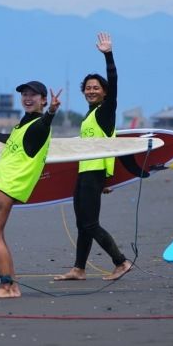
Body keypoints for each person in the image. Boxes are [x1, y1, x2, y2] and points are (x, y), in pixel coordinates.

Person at [55, 32, 132, 282]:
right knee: (83, 224)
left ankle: (120, 262)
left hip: (94, 173)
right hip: (86, 173)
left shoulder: (105, 112)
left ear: (105, 93)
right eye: (87, 88)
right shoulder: (89, 116)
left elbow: (114, 81)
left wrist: (108, 55)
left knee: (89, 223)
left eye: (96, 88)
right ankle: (79, 269)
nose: (91, 91)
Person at [0, 80, 62, 299]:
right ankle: (12, 286)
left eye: (33, 95)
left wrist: (52, 111)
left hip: (10, 183)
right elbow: (14, 139)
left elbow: (43, 125)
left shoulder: (40, 125)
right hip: (3, 181)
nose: (27, 97)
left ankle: (6, 287)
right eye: (24, 94)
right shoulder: (24, 125)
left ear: (43, 100)